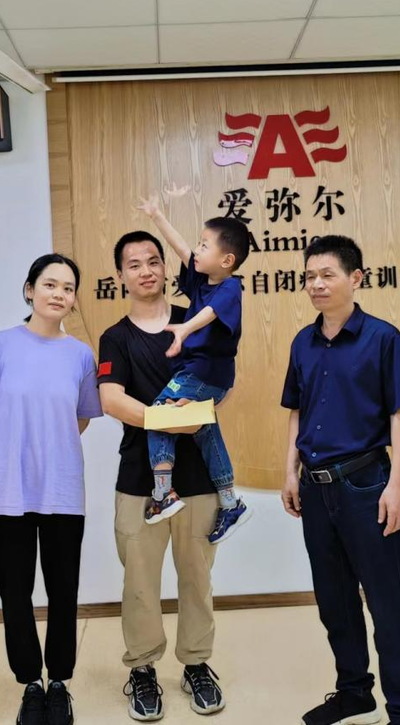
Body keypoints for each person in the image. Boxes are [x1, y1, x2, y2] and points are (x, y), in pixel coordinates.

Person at [281, 235, 400, 725]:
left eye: (327, 274)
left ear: (355, 278)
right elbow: (297, 412)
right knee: (335, 600)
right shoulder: (302, 342)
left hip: (367, 484)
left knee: (387, 603)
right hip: (315, 487)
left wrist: (397, 485)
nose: (316, 284)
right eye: (309, 276)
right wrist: (289, 471)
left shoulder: (383, 338)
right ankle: (354, 692)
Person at [98, 230, 226, 721]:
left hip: (198, 477)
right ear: (120, 276)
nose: (146, 270)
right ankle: (142, 669)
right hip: (139, 480)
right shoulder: (115, 338)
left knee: (197, 578)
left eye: (153, 260)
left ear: (165, 267)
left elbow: (220, 383)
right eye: (134, 264)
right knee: (140, 582)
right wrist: (169, 420)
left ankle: (196, 664)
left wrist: (197, 412)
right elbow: (112, 400)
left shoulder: (192, 323)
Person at [0, 253, 103, 725]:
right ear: (30, 290)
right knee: (15, 591)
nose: (59, 294)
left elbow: (82, 416)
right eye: (50, 284)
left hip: (62, 489)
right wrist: (5, 453)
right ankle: (30, 682)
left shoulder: (81, 355)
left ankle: (60, 681)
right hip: (6, 491)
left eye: (68, 288)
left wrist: (50, 448)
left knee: (63, 590)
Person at [135, 196, 251, 543]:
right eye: (199, 244)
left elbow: (211, 313)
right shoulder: (202, 280)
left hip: (204, 373)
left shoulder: (230, 287)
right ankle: (230, 501)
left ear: (227, 260)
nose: (197, 250)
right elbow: (182, 248)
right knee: (203, 429)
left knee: (158, 414)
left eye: (205, 245)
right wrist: (157, 216)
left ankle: (162, 494)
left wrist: (185, 328)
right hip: (201, 373)